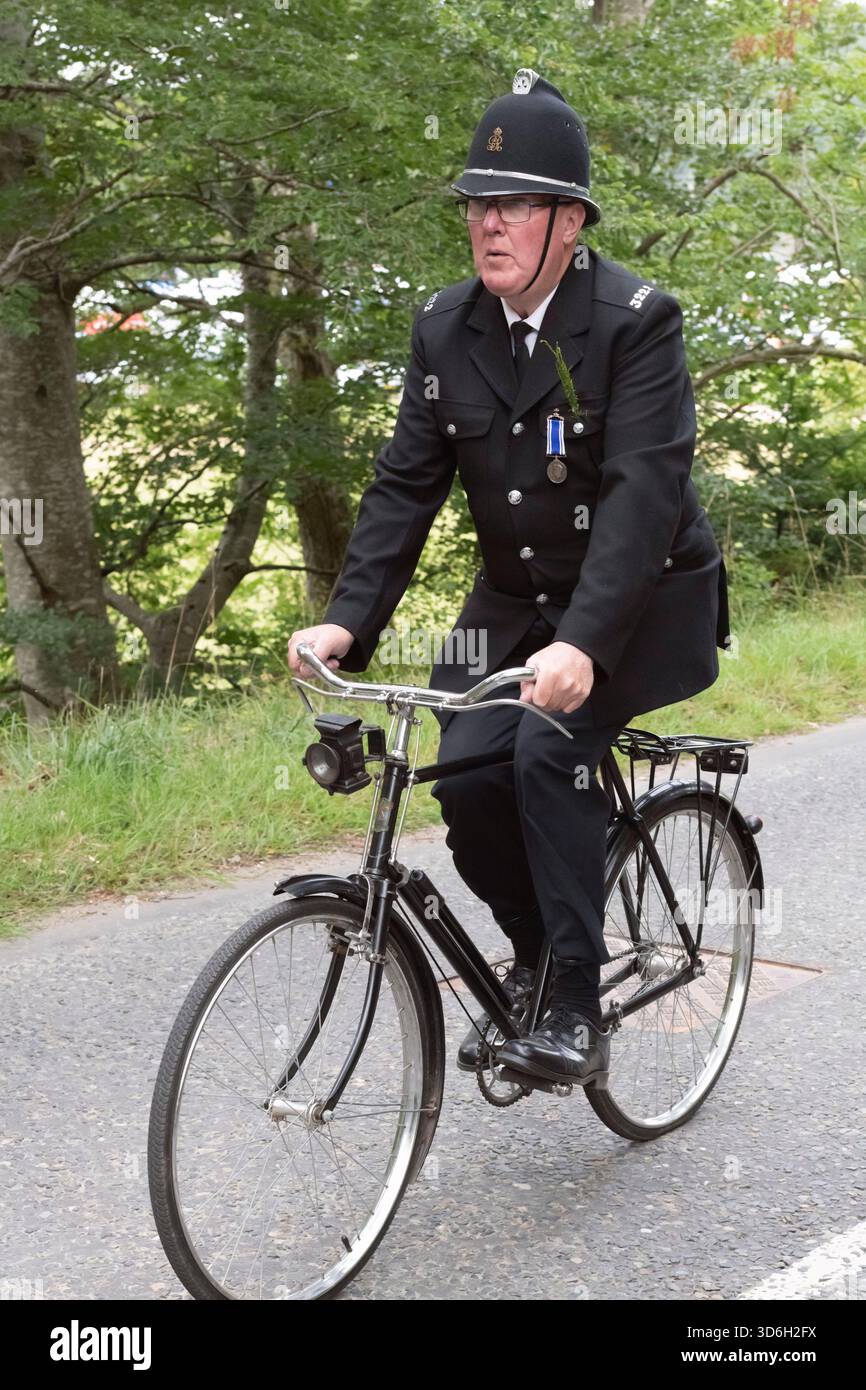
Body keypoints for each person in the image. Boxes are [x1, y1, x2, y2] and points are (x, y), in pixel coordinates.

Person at [287, 69, 730, 1086]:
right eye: (478, 204)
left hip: (641, 599)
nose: (488, 223)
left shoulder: (634, 323)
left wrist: (583, 643)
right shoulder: (445, 327)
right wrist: (345, 624)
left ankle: (575, 1007)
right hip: (512, 604)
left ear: (567, 222)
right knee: (466, 764)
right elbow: (405, 485)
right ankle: (537, 950)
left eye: (514, 204)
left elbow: (640, 495)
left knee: (544, 752)